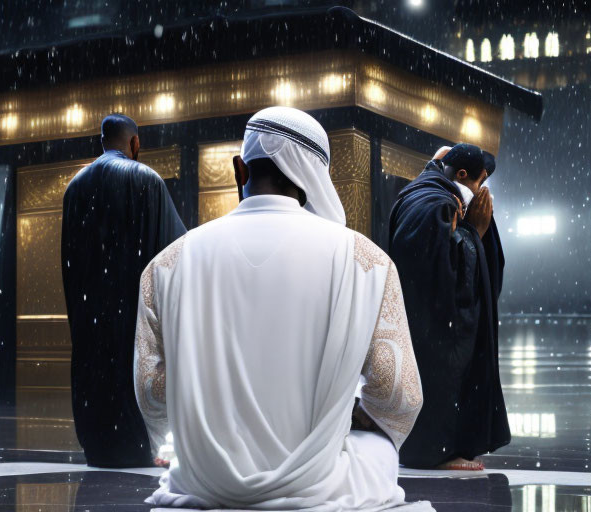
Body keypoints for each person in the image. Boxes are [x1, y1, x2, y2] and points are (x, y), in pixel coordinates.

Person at [133, 107, 432, 510]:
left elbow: (150, 391)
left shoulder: (167, 264)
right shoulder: (366, 262)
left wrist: (204, 413)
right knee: (375, 449)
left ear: (240, 169)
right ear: (316, 177)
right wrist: (348, 419)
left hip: (204, 483)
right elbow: (400, 394)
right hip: (321, 483)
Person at [61, 113, 186, 468]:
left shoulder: (75, 187)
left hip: (89, 313)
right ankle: (137, 448)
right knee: (129, 370)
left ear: (102, 141)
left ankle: (99, 445)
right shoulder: (144, 179)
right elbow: (175, 252)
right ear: (135, 143)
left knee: (94, 370)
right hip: (130, 312)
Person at [387, 142, 508, 471]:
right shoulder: (438, 204)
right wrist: (474, 231)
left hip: (420, 322)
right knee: (439, 378)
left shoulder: (422, 195)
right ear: (463, 174)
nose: (481, 191)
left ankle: (436, 447)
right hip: (436, 327)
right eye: (480, 181)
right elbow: (444, 276)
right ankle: (435, 452)